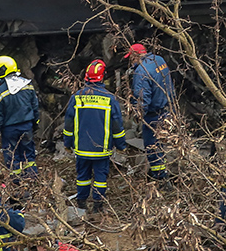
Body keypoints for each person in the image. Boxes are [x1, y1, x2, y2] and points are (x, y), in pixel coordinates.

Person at [63, 59, 125, 214]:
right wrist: (121, 145)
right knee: (100, 179)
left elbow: (68, 124)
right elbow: (117, 126)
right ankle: (98, 206)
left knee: (82, 177)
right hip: (101, 150)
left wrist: (67, 144)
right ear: (102, 77)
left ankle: (81, 205)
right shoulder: (109, 99)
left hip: (82, 149)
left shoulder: (77, 97)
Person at [0, 55, 40, 182]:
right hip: (27, 127)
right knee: (29, 155)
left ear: (1, 71)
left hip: (9, 131)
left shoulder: (0, 93)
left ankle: (17, 184)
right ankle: (33, 180)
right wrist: (35, 122)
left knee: (12, 157)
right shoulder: (28, 85)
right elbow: (35, 106)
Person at [127, 42, 174, 181]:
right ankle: (164, 172)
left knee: (152, 148)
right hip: (167, 109)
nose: (131, 61)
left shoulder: (141, 72)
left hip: (152, 115)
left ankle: (160, 178)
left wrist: (137, 115)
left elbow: (142, 98)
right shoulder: (158, 60)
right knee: (162, 144)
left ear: (135, 56)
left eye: (131, 58)